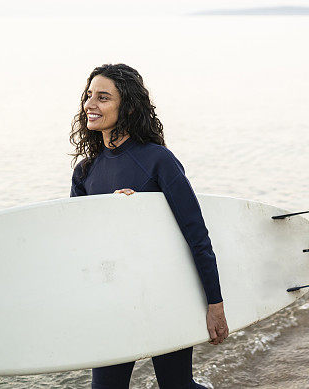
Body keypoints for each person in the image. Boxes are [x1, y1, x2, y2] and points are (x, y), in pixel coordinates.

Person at [69, 63, 228, 389]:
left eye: (102, 97)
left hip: (163, 292)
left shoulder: (158, 161)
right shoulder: (85, 172)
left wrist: (215, 305)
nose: (90, 105)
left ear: (126, 106)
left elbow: (196, 236)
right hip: (112, 299)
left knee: (176, 386)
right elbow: (80, 247)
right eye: (88, 96)